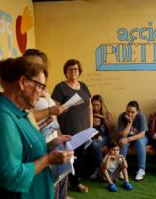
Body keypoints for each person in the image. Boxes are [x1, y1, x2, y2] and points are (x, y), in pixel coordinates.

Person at [0, 57, 73, 199]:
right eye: (40, 86)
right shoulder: (1, 117)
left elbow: (24, 151)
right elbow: (10, 176)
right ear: (22, 82)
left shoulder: (19, 113)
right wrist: (48, 159)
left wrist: (51, 145)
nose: (42, 93)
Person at [22, 49, 72, 199]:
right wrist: (51, 110)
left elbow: (53, 116)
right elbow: (26, 117)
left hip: (54, 139)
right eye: (33, 63)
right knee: (50, 185)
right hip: (41, 145)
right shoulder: (24, 89)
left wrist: (59, 134)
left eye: (40, 63)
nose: (38, 66)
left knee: (61, 178)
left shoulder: (43, 88)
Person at [51, 59, 92, 193]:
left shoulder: (84, 86)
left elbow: (89, 107)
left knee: (80, 159)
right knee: (67, 159)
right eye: (70, 69)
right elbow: (54, 110)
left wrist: (90, 128)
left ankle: (76, 183)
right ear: (65, 72)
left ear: (79, 71)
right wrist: (58, 130)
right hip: (67, 131)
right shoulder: (60, 87)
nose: (73, 71)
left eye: (75, 69)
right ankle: (63, 186)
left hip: (84, 131)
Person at [118, 100, 148, 181]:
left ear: (137, 111)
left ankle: (141, 169)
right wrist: (129, 123)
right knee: (122, 142)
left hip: (140, 137)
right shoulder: (122, 116)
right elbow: (123, 135)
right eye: (128, 111)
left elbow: (142, 134)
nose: (130, 114)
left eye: (133, 112)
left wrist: (128, 139)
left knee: (139, 142)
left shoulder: (141, 116)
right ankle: (121, 168)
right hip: (127, 137)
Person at [89, 95, 114, 179]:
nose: (95, 107)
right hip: (92, 136)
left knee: (94, 144)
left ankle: (100, 169)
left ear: (101, 105)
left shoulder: (107, 114)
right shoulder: (89, 114)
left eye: (97, 105)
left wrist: (102, 117)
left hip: (104, 137)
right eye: (93, 105)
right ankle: (100, 169)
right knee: (92, 144)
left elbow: (111, 128)